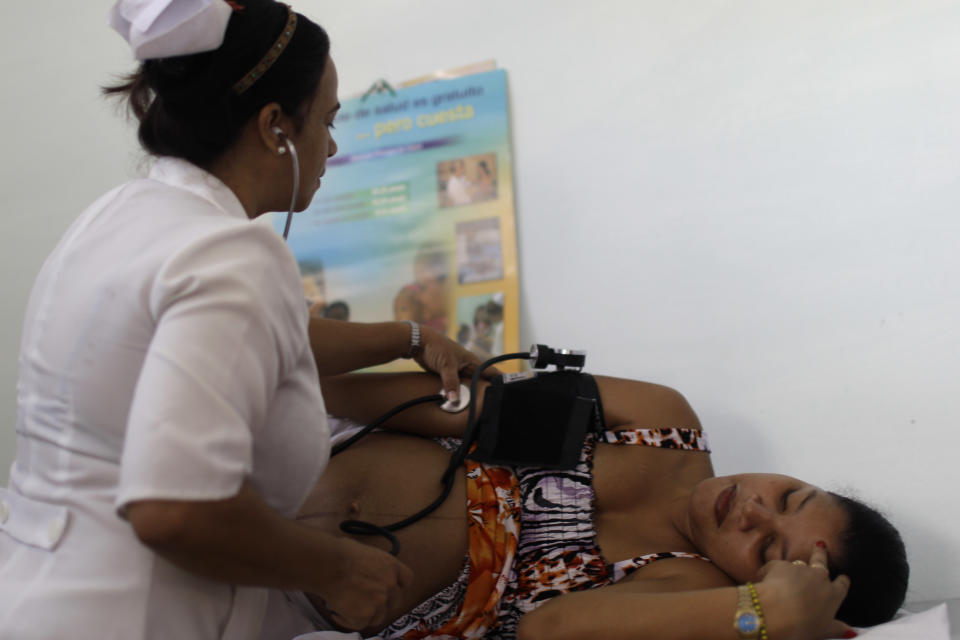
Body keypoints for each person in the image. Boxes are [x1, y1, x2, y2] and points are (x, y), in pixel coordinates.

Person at [0, 2, 487, 639]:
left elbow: (256, 343)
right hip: (135, 616)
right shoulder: (233, 254)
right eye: (329, 120)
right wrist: (338, 567)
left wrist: (411, 337)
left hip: (36, 592)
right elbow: (175, 511)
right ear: (276, 127)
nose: (332, 147)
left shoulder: (123, 215)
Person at [293, 371, 909, 640]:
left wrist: (761, 614)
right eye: (788, 496)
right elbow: (470, 407)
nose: (750, 509)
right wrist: (297, 386)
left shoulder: (683, 586)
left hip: (293, 609)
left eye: (768, 549)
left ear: (766, 582)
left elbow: (548, 629)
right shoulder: (664, 423)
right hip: (300, 450)